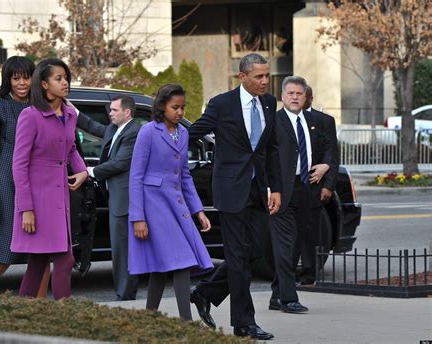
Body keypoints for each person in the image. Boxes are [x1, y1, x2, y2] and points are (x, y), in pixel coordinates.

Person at [188, 53, 281, 340]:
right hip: (230, 191)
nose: (265, 81)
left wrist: (275, 188)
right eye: (259, 77)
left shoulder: (269, 102)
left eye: (267, 75)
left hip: (257, 190)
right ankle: (244, 323)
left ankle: (204, 292)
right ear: (243, 77)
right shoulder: (221, 104)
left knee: (252, 252)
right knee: (238, 259)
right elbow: (195, 132)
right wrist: (163, 131)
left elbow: (272, 148)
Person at [128, 84, 213, 321]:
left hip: (176, 206)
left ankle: (149, 320)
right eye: (175, 107)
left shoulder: (183, 133)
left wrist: (199, 211)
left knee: (160, 267)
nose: (180, 112)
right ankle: (186, 323)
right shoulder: (148, 132)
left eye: (183, 107)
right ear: (161, 106)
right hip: (152, 205)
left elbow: (184, 175)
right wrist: (138, 218)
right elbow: (135, 175)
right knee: (182, 260)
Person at [0, 56, 50, 297]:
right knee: (5, 251)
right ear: (8, 80)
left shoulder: (42, 106)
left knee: (42, 249)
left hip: (38, 181)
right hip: (6, 184)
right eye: (16, 78)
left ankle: (42, 307)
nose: (22, 83)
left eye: (26, 77)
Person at [11, 58, 88, 300]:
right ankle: (62, 319)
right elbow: (19, 164)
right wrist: (27, 209)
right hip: (37, 201)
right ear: (44, 84)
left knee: (39, 262)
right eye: (59, 78)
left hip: (60, 200)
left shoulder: (69, 113)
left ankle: (21, 319)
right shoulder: (30, 116)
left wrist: (82, 170)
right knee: (64, 260)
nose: (65, 83)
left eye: (66, 78)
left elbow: (72, 147)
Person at [268, 76, 331, 314]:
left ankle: (276, 295)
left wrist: (325, 165)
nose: (295, 97)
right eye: (290, 93)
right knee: (284, 246)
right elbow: (264, 156)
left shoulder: (314, 121)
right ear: (282, 96)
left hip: (306, 188)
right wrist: (269, 188)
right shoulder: (273, 121)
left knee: (295, 245)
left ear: (306, 98)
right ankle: (288, 298)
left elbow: (328, 150)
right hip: (280, 190)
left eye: (299, 94)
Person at [85, 96, 140, 300]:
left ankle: (125, 295)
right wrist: (69, 106)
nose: (110, 113)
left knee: (123, 250)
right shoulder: (114, 129)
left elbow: (119, 163)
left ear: (127, 112)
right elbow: (90, 125)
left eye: (114, 110)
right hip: (115, 198)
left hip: (125, 201)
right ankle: (123, 291)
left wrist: (91, 171)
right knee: (119, 249)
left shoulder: (133, 132)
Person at [296, 85, 339, 285]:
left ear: (311, 98)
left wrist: (328, 186)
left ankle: (308, 275)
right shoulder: (282, 119)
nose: (298, 99)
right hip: (290, 187)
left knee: (310, 233)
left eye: (302, 95)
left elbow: (332, 155)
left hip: (314, 186)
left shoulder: (324, 121)